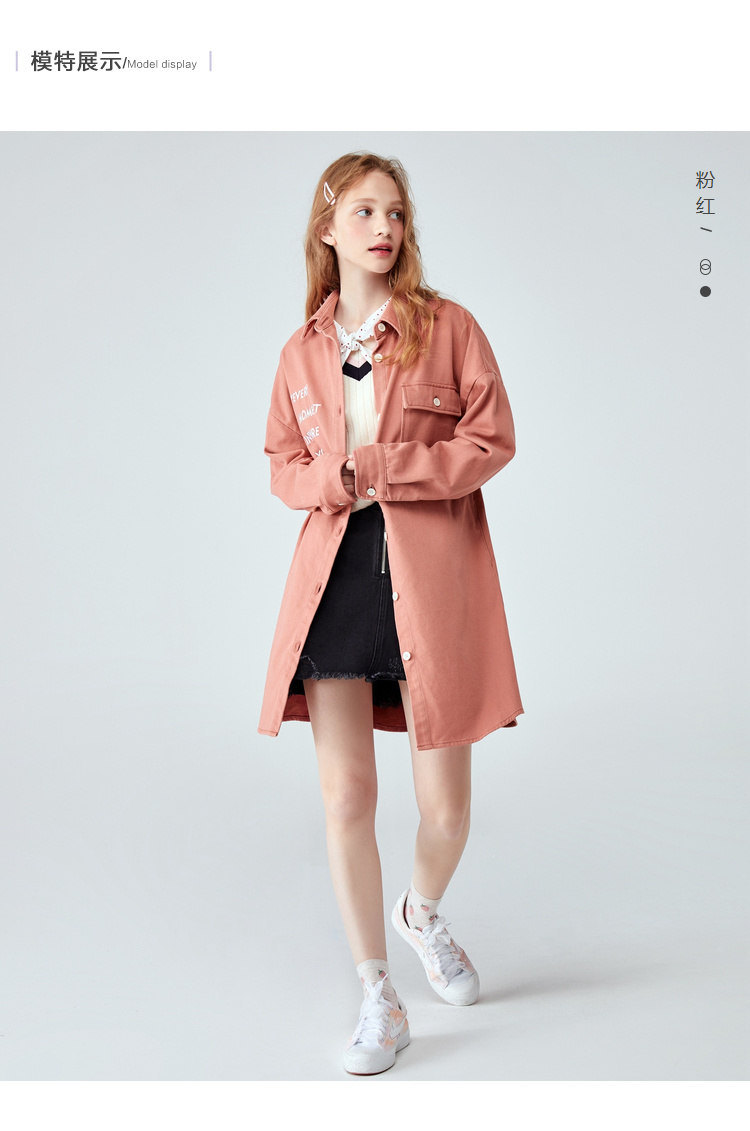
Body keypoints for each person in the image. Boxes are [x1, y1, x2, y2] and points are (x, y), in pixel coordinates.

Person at [258, 152, 523, 1075]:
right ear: (328, 228)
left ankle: (422, 910)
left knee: (446, 808)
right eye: (366, 211)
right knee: (347, 797)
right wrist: (331, 478)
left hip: (430, 578)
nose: (385, 228)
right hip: (334, 578)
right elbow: (282, 463)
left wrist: (386, 468)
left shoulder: (448, 328)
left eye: (397, 212)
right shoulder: (300, 351)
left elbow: (492, 439)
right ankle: (379, 992)